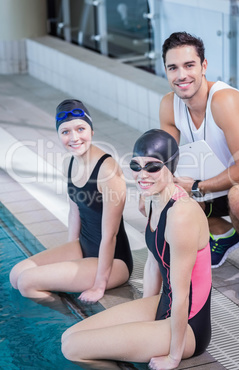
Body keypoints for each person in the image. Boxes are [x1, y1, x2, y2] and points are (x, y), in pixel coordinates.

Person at [61, 129, 211, 370]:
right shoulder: (152, 198)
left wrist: (173, 357)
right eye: (136, 165)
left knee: (74, 349)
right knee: (69, 336)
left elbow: (182, 295)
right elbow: (153, 263)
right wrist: (145, 315)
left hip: (190, 326)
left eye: (152, 167)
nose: (142, 175)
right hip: (164, 304)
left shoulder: (181, 215)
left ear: (171, 167)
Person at [159, 31, 239, 299]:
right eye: (173, 67)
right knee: (165, 191)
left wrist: (198, 186)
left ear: (204, 66)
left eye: (189, 65)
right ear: (165, 70)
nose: (181, 75)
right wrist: (155, 185)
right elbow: (166, 165)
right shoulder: (168, 106)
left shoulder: (223, 101)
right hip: (225, 177)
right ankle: (224, 233)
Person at [9, 99, 133, 303]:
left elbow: (110, 236)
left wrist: (99, 285)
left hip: (113, 260)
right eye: (65, 132)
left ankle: (65, 319)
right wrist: (71, 256)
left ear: (91, 130)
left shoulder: (107, 171)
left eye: (80, 129)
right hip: (83, 247)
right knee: (16, 274)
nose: (74, 138)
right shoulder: (72, 163)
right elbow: (75, 212)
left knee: (26, 282)